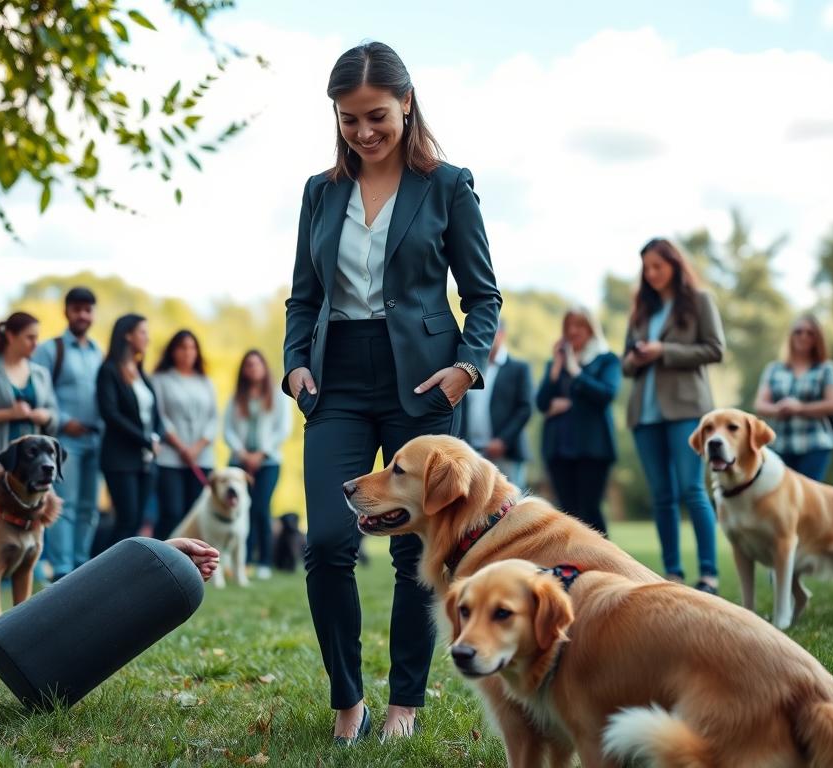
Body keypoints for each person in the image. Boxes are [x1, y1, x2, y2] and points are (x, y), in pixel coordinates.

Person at [282, 42, 501, 743]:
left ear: (407, 103)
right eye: (349, 121)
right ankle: (349, 701)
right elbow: (303, 296)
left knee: (417, 552)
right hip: (337, 378)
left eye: (376, 116)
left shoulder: (448, 184)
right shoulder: (320, 191)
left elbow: (483, 296)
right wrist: (294, 364)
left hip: (422, 382)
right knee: (328, 545)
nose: (364, 132)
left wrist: (466, 367)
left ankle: (405, 702)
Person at [623, 237, 725, 593]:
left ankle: (709, 574)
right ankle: (673, 573)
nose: (651, 274)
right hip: (644, 414)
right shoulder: (641, 309)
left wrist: (663, 350)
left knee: (691, 489)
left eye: (658, 266)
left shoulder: (699, 301)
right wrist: (636, 358)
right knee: (662, 496)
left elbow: (715, 349)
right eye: (646, 268)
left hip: (686, 409)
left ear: (675, 265)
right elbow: (624, 364)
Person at [32, 287, 104, 581]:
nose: (82, 315)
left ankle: (81, 565)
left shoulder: (98, 351)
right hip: (64, 443)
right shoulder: (50, 350)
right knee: (64, 505)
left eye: (88, 310)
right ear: (66, 312)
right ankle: (62, 569)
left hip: (95, 441)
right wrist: (62, 421)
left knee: (90, 508)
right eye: (77, 309)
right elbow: (36, 392)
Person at [536, 306, 621, 536]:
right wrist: (556, 368)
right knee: (568, 513)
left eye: (579, 326)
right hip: (559, 448)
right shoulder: (556, 364)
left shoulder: (607, 360)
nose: (573, 331)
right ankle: (573, 566)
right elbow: (542, 403)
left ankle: (604, 564)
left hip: (592, 448)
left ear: (591, 329)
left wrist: (576, 373)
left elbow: (606, 395)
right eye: (568, 326)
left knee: (590, 511)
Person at [0, 312, 59, 489]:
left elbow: (54, 414)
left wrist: (45, 416)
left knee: (32, 516)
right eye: (30, 337)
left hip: (33, 466)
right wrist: (9, 414)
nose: (35, 343)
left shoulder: (41, 373)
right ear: (11, 336)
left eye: (37, 337)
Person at [97, 314, 164, 546]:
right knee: (125, 520)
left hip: (145, 461)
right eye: (143, 332)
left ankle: (127, 575)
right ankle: (107, 573)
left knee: (136, 521)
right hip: (119, 458)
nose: (147, 338)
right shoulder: (109, 371)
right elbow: (111, 414)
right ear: (127, 335)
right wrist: (146, 440)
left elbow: (154, 414)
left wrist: (156, 437)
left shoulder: (140, 372)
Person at [224, 349, 290, 581]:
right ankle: (243, 560)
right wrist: (241, 453)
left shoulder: (276, 395)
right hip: (238, 463)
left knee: (261, 508)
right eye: (248, 365)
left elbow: (283, 428)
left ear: (264, 367)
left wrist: (261, 453)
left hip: (268, 462)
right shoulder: (236, 397)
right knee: (240, 510)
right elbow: (228, 430)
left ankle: (264, 560)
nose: (253, 368)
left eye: (256, 364)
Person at [152, 330, 218, 539]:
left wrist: (197, 447)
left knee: (197, 514)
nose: (187, 352)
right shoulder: (160, 379)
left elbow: (214, 418)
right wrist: (181, 447)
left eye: (191, 347)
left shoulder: (205, 382)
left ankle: (193, 564)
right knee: (172, 511)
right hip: (170, 458)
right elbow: (160, 416)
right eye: (182, 347)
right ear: (172, 351)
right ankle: (158, 556)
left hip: (202, 458)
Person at [754, 314, 833, 481]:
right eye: (798, 332)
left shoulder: (826, 368)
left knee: (808, 499)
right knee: (780, 499)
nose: (803, 336)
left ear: (817, 338)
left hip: (815, 443)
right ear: (791, 336)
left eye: (810, 333)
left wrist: (801, 408)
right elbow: (760, 404)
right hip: (780, 444)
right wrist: (778, 409)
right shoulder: (774, 368)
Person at [459, 319, 532, 488]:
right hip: (472, 453)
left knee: (511, 508)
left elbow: (525, 408)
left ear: (501, 334)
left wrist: (503, 441)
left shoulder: (519, 368)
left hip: (506, 454)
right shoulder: (469, 369)